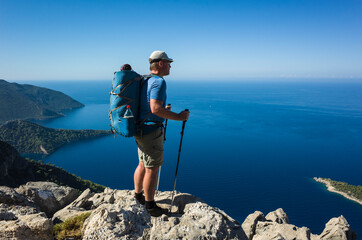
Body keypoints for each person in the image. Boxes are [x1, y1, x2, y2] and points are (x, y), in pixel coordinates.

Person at [133, 50, 190, 217]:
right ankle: (150, 206)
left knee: (142, 164)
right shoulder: (158, 82)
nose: (170, 65)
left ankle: (138, 196)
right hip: (151, 131)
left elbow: (148, 107)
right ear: (160, 63)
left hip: (139, 129)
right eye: (168, 62)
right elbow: (155, 108)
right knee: (152, 168)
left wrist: (164, 111)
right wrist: (179, 117)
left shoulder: (144, 80)